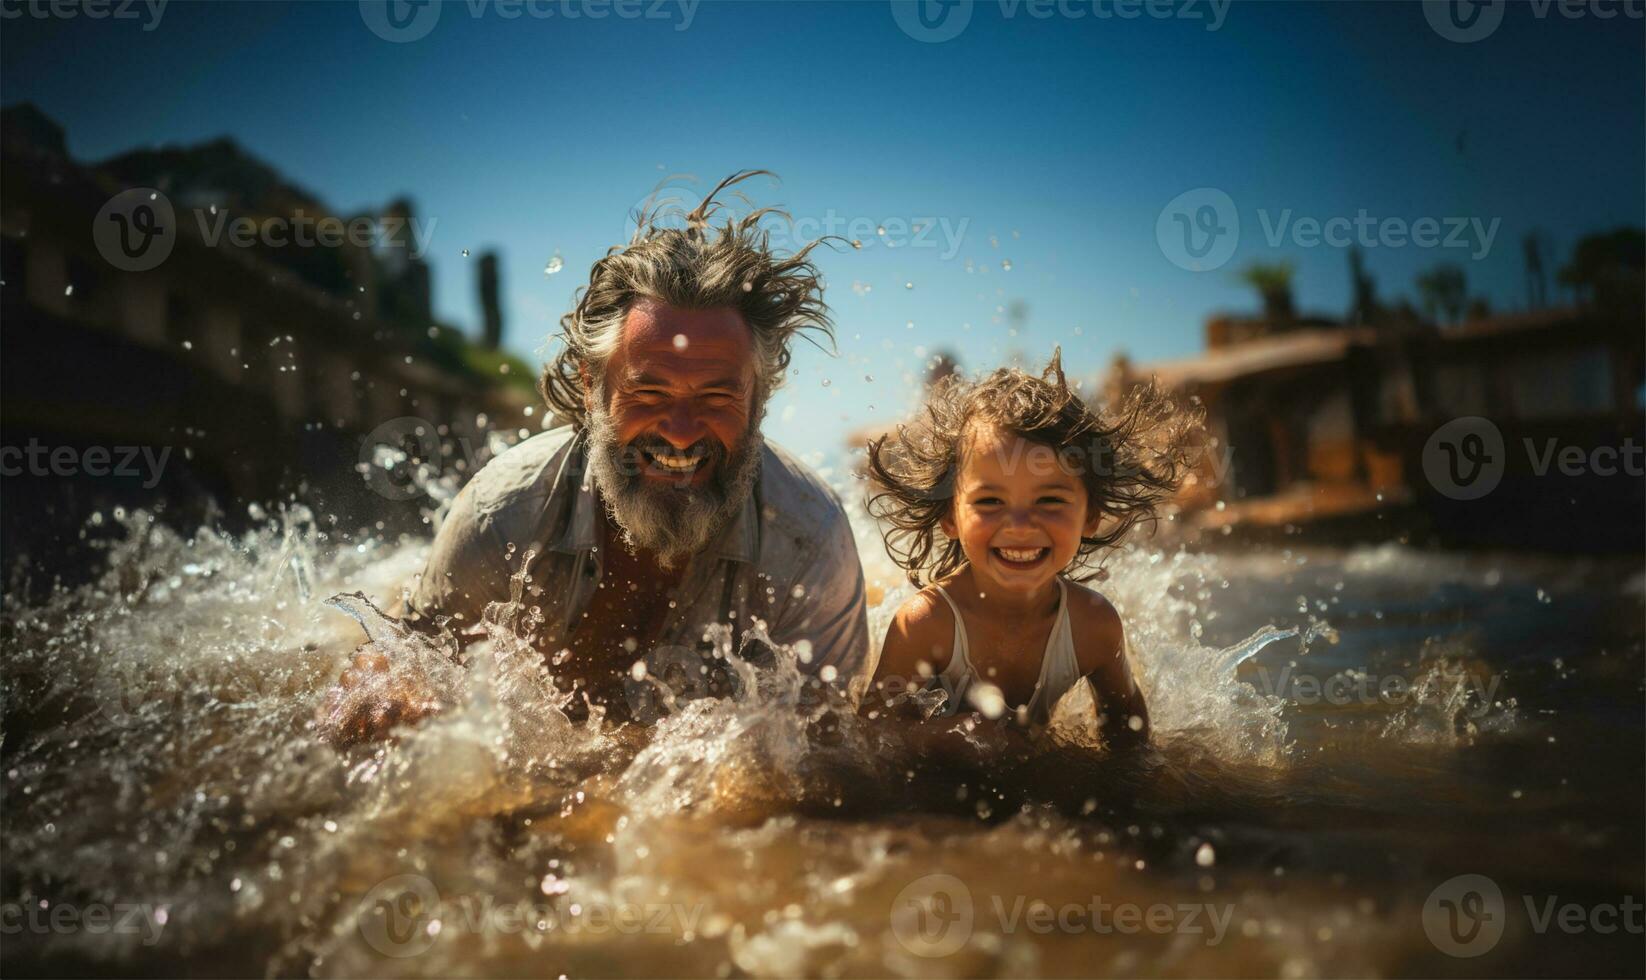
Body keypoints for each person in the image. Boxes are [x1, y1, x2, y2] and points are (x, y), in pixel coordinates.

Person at [320, 172, 870, 743]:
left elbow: (824, 766)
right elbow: (401, 667)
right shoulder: (501, 516)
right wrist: (380, 698)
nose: (681, 435)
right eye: (649, 393)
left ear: (759, 400)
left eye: (716, 396)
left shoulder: (810, 541)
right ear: (592, 387)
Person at [862, 351, 1197, 746]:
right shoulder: (927, 624)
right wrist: (943, 735)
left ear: (1091, 515)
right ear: (950, 517)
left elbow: (1129, 740)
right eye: (989, 502)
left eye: (1050, 501)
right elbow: (870, 735)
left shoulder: (1093, 627)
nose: (1020, 527)